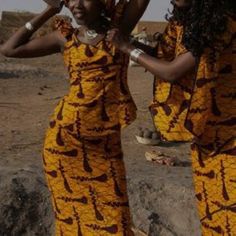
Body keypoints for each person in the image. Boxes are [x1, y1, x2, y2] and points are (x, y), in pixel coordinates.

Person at [0, 0, 150, 235]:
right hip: (63, 142)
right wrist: (51, 9)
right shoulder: (64, 37)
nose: (76, 4)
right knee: (72, 219)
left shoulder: (119, 28)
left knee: (116, 219)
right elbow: (9, 49)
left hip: (105, 144)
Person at [106, 0, 236, 234]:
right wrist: (132, 44)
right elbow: (163, 56)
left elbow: (173, 71)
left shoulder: (222, 19)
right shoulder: (187, 20)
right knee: (214, 215)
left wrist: (128, 48)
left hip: (230, 138)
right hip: (207, 138)